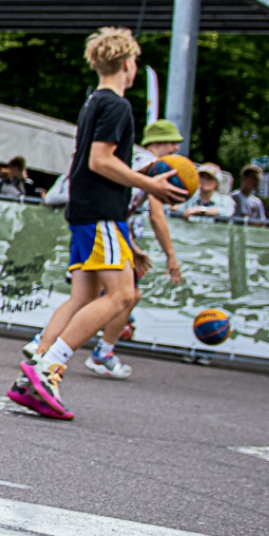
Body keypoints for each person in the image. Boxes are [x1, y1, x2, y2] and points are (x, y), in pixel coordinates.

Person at [6, 27, 184, 420]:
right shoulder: (117, 106)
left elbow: (90, 164)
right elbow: (100, 161)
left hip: (90, 212)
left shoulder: (93, 102)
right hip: (100, 213)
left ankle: (32, 374)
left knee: (83, 297)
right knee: (122, 296)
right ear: (128, 64)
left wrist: (125, 236)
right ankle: (48, 368)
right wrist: (150, 184)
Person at [45, 116, 187, 382]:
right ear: (159, 142)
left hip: (90, 223)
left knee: (85, 297)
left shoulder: (128, 158)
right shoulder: (154, 168)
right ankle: (93, 353)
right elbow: (155, 215)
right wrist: (170, 256)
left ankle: (42, 348)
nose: (176, 149)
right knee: (124, 295)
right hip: (103, 225)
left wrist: (131, 244)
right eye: (172, 143)